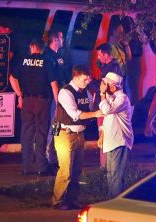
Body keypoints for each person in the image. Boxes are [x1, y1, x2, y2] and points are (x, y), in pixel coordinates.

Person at [52, 65, 102, 210]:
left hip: (80, 133)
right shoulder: (65, 92)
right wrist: (95, 114)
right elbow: (76, 114)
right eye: (85, 79)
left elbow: (90, 109)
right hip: (64, 133)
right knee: (65, 169)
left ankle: (72, 200)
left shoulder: (85, 92)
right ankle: (58, 201)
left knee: (77, 169)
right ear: (76, 77)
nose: (87, 82)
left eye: (89, 79)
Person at [9, 38, 59, 176]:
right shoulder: (48, 61)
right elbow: (54, 84)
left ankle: (26, 166)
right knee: (42, 133)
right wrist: (58, 104)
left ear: (32, 46)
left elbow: (12, 78)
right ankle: (42, 166)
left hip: (26, 101)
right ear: (42, 48)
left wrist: (19, 94)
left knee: (26, 133)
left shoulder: (23, 61)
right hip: (42, 102)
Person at [98, 72, 133, 198]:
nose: (102, 86)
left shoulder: (122, 98)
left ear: (113, 87)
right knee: (110, 174)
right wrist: (102, 134)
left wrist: (102, 94)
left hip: (119, 140)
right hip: (111, 141)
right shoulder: (111, 98)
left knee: (116, 175)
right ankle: (111, 200)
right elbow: (107, 118)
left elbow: (106, 110)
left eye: (105, 84)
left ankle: (116, 202)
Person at [43, 29, 70, 168]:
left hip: (62, 94)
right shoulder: (48, 56)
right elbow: (52, 80)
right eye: (61, 37)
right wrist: (58, 100)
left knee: (59, 124)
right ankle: (49, 154)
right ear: (55, 40)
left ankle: (54, 153)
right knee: (55, 124)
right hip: (55, 97)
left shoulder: (59, 55)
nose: (63, 40)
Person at [94, 43, 123, 168]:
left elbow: (104, 89)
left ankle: (105, 167)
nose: (98, 58)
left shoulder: (112, 70)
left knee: (104, 135)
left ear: (106, 54)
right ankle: (105, 166)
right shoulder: (109, 67)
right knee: (103, 135)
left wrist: (90, 82)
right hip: (105, 106)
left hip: (106, 108)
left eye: (99, 55)